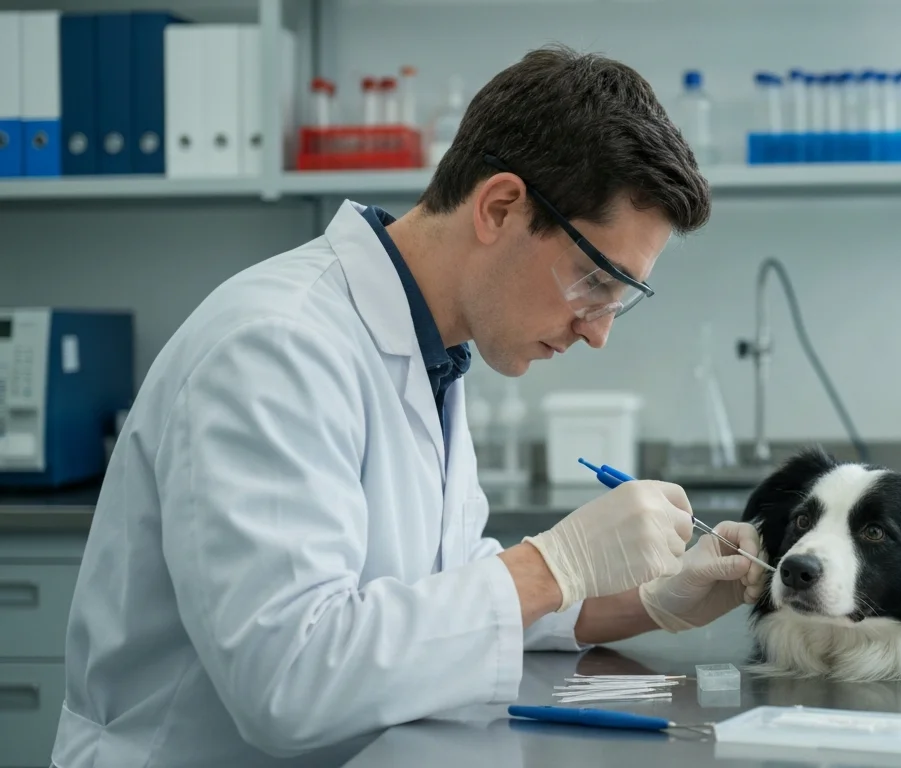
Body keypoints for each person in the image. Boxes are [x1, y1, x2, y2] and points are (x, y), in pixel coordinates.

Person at [51, 46, 765, 768]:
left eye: (620, 300)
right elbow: (290, 680)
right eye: (594, 281)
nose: (599, 330)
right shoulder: (275, 347)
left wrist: (651, 600)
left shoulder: (432, 351)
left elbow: (439, 591)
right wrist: (555, 564)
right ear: (500, 207)